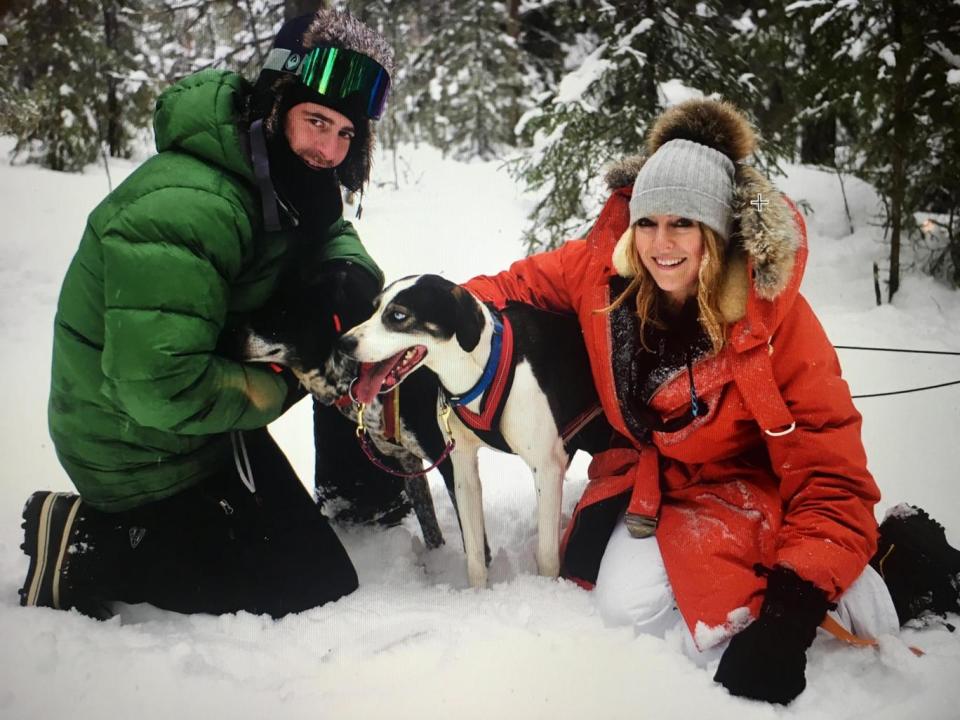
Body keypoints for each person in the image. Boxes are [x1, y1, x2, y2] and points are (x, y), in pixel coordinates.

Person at [464, 99, 960, 704]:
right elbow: (504, 288)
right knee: (623, 608)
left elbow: (832, 475)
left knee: (848, 613)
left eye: (684, 223)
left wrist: (789, 616)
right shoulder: (597, 269)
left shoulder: (776, 322)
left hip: (755, 485)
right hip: (658, 482)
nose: (659, 243)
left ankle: (890, 566)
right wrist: (423, 329)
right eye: (646, 222)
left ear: (719, 230)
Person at [19, 10, 406, 620]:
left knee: (360, 334)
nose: (328, 150)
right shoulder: (188, 206)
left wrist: (345, 278)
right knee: (310, 585)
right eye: (316, 122)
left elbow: (331, 235)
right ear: (277, 106)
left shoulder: (278, 176)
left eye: (345, 135)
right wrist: (290, 376)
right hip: (136, 445)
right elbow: (159, 390)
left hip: (201, 421)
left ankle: (363, 505)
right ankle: (87, 542)